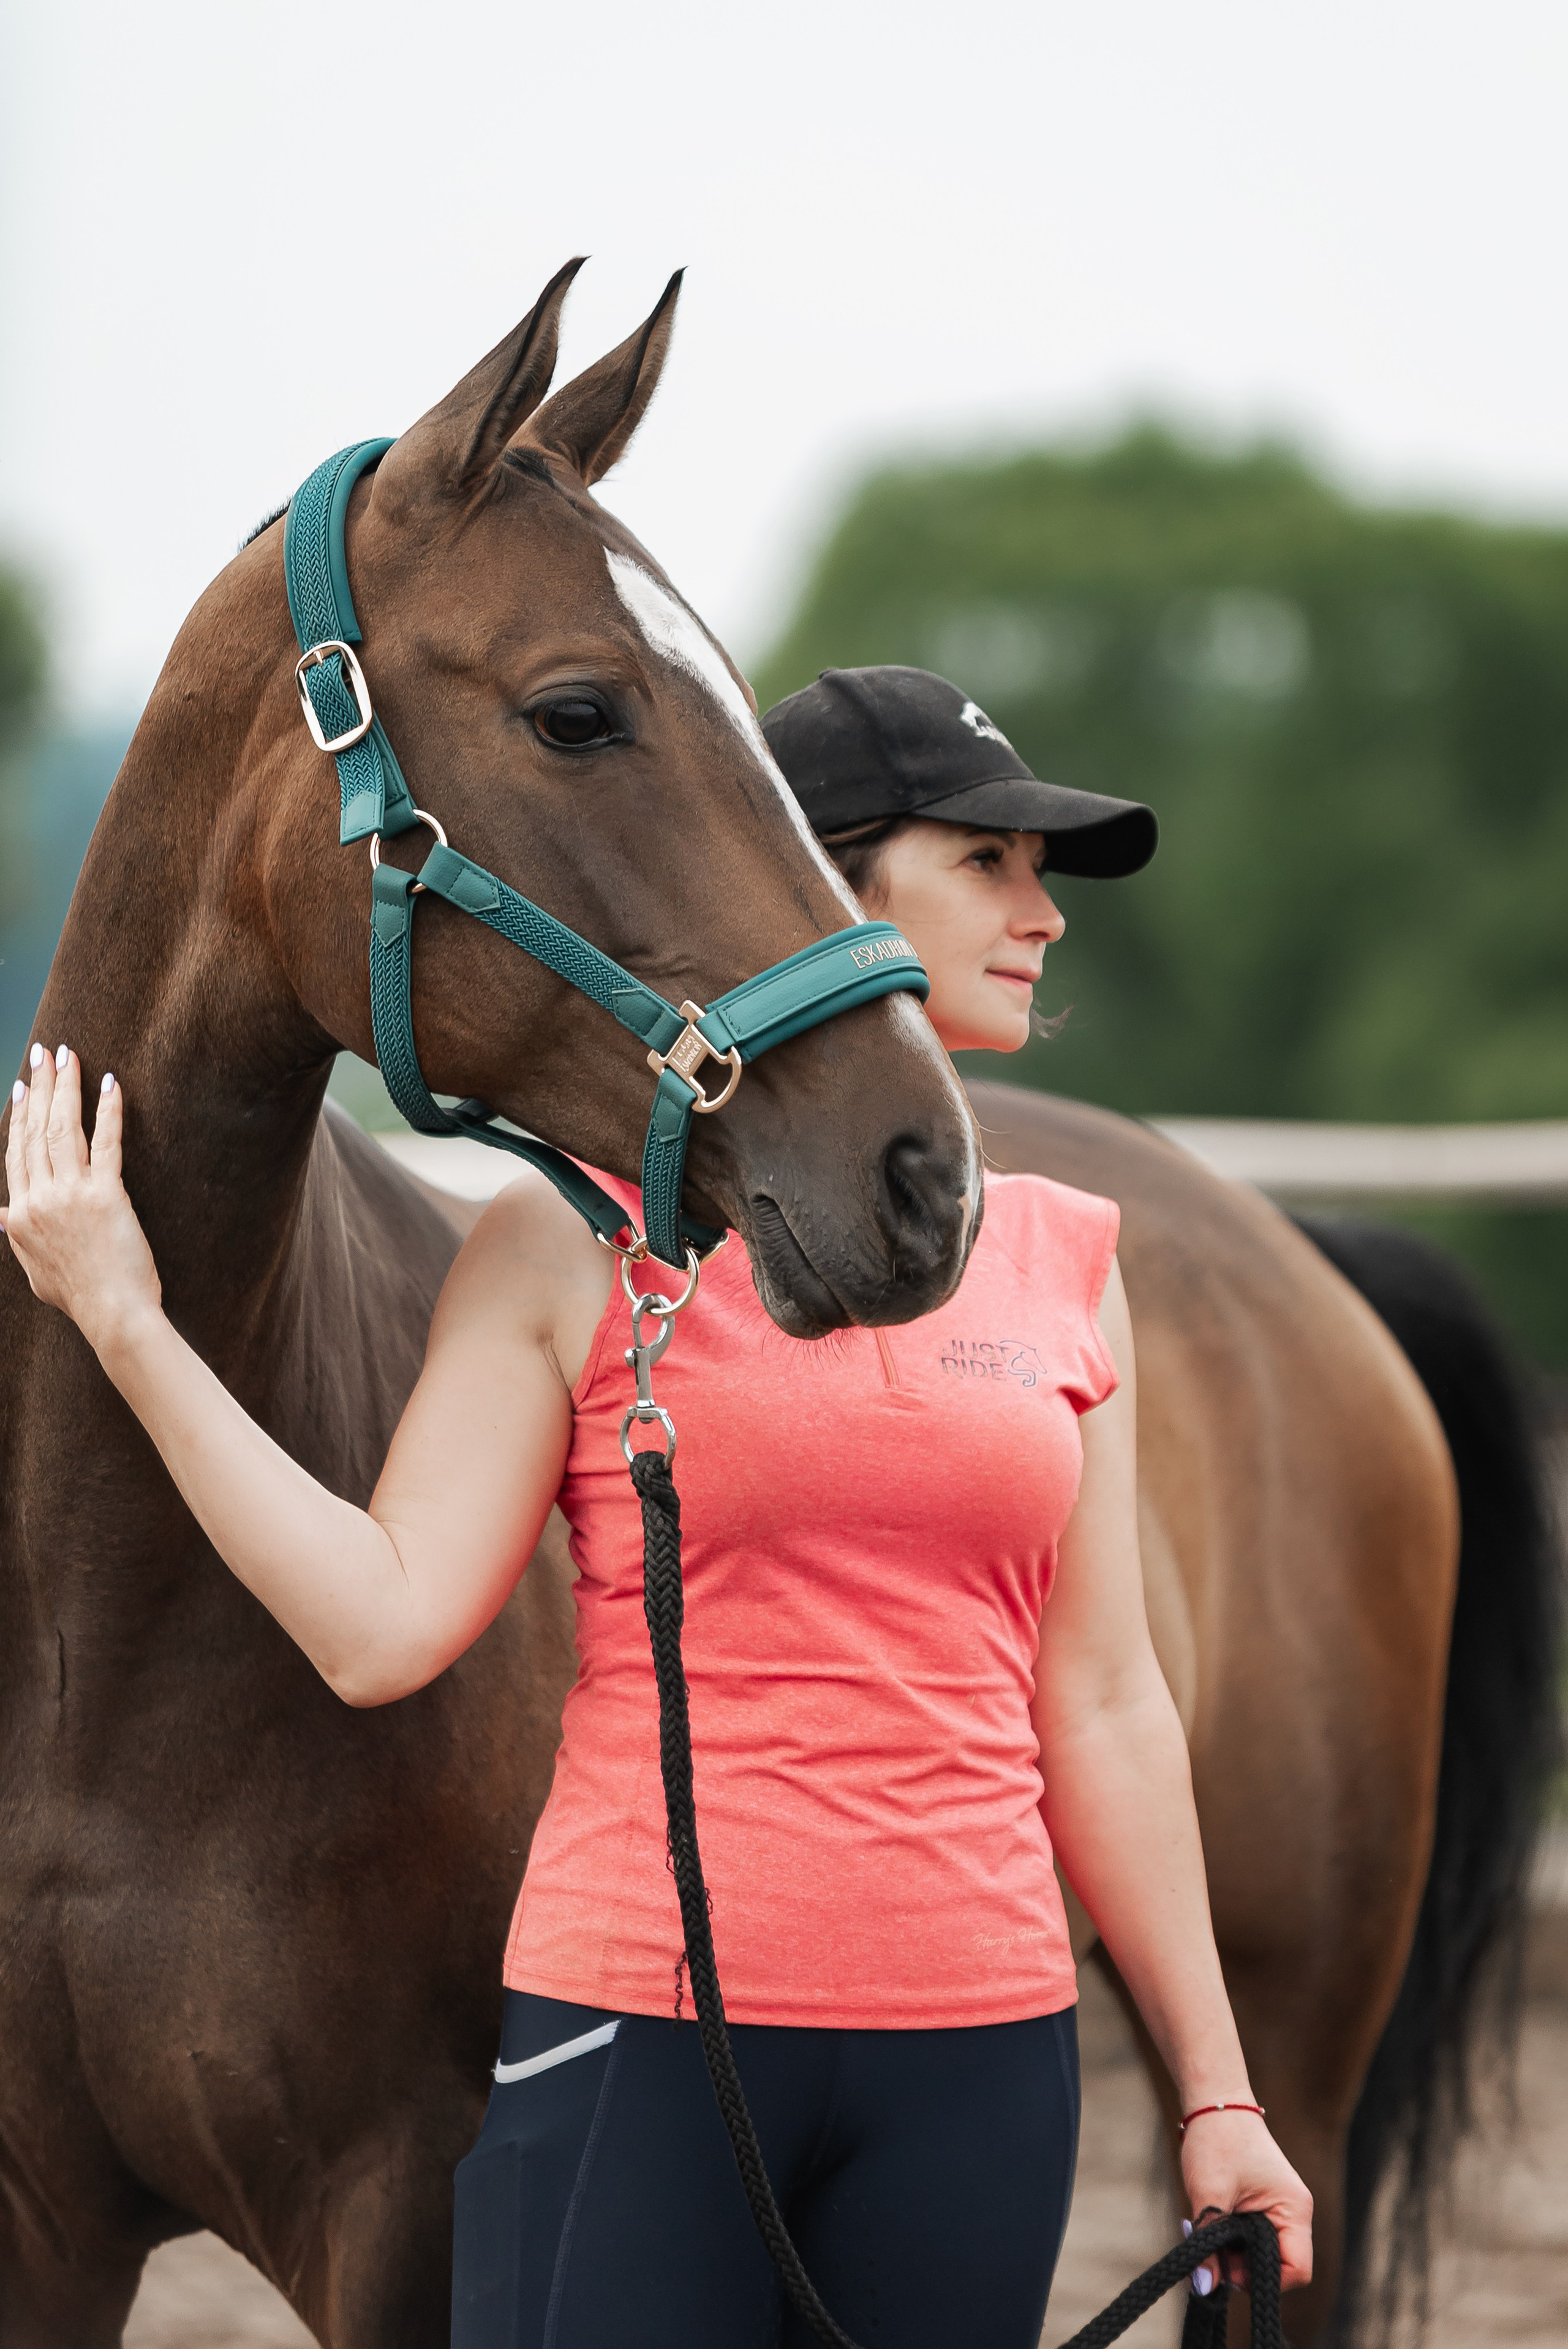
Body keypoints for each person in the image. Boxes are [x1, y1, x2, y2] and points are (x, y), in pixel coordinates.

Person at [1, 663, 1311, 2349]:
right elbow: (379, 1620)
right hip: (639, 2039)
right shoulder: (574, 1245)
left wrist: (1215, 2089)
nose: (1042, 916)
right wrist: (125, 1319)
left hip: (983, 2055)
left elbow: (1107, 1700)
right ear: (818, 884)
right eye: (988, 862)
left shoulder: (1069, 1258)